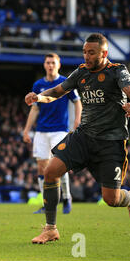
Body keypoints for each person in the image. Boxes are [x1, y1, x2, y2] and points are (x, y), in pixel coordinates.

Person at [25, 33, 130, 244]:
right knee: (50, 172)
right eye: (84, 52)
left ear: (104, 53)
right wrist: (40, 97)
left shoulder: (118, 71)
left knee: (111, 199)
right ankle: (50, 228)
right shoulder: (81, 73)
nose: (86, 57)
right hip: (84, 136)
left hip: (110, 142)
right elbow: (59, 91)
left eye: (91, 53)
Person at [23, 53, 82, 214]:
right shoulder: (38, 84)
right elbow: (35, 108)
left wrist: (77, 121)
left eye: (53, 62)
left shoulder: (64, 82)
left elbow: (77, 102)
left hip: (59, 130)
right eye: (48, 62)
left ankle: (67, 198)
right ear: (44, 65)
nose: (50, 65)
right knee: (42, 168)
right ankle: (46, 203)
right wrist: (27, 129)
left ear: (58, 64)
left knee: (59, 165)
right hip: (42, 131)